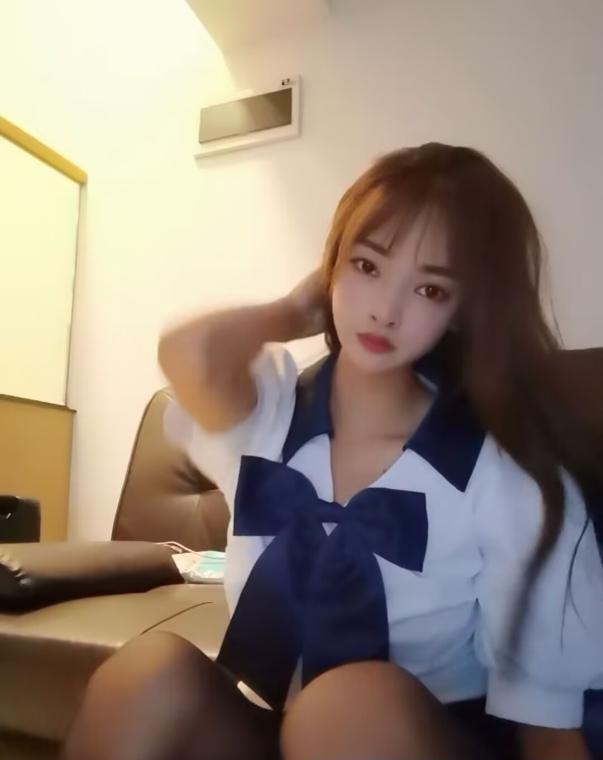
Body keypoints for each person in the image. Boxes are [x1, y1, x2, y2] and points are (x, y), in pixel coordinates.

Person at [62, 143, 603, 760]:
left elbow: (545, 722)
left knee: (345, 706)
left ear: (462, 310)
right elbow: (190, 352)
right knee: (149, 675)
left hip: (418, 737)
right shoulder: (270, 414)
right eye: (367, 266)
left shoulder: (503, 472)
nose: (385, 311)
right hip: (272, 723)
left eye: (430, 289)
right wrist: (294, 310)